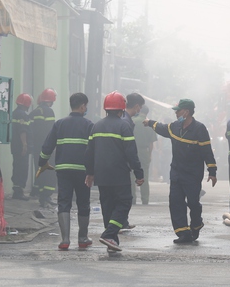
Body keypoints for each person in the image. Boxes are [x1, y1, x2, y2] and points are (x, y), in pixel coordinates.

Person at [144, 98, 217, 244]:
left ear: (187, 111)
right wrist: (150, 123)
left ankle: (196, 225)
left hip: (192, 174)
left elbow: (206, 151)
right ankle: (183, 233)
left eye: (178, 111)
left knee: (193, 202)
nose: (176, 113)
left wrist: (212, 171)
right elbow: (163, 128)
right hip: (176, 172)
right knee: (175, 202)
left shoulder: (199, 129)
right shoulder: (175, 127)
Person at [84, 91, 144, 253]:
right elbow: (131, 153)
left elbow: (89, 152)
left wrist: (89, 173)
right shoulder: (124, 126)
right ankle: (109, 234)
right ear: (121, 109)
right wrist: (139, 173)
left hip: (101, 175)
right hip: (119, 174)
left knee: (108, 206)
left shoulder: (96, 126)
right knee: (124, 202)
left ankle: (112, 241)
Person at [38, 93, 94, 250]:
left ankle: (65, 240)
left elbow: (47, 146)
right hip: (82, 171)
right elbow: (93, 150)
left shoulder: (60, 124)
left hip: (63, 170)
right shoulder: (89, 125)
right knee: (83, 202)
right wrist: (92, 170)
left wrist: (42, 162)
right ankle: (82, 238)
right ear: (82, 106)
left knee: (64, 202)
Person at [30, 88, 57, 207]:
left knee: (39, 169)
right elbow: (51, 131)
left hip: (36, 147)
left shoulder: (35, 111)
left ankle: (41, 194)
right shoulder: (49, 112)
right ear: (50, 101)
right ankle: (46, 195)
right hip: (47, 146)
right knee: (50, 170)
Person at [132, 105, 157, 205]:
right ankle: (145, 199)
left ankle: (132, 198)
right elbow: (151, 143)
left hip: (132, 151)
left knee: (131, 175)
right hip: (144, 152)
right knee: (145, 175)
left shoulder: (132, 120)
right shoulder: (148, 123)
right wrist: (149, 154)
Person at [10, 93, 32, 200]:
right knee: (22, 168)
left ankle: (16, 191)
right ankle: (19, 192)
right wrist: (25, 144)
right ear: (27, 104)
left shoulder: (14, 113)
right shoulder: (23, 115)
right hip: (21, 146)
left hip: (14, 146)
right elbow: (22, 130)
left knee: (16, 166)